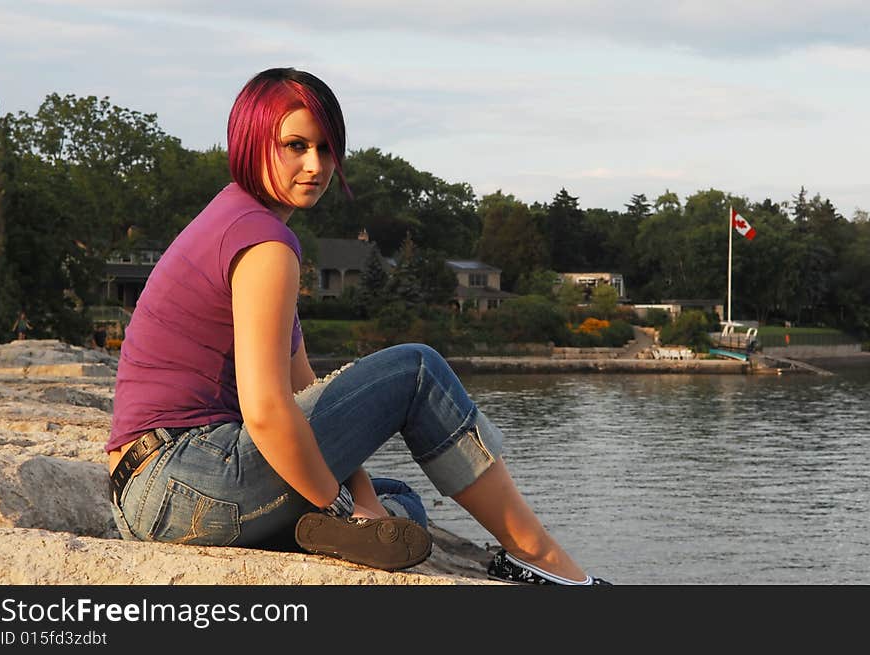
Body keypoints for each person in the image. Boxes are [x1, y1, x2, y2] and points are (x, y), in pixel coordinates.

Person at [106, 67, 610, 584]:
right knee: (418, 370)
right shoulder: (264, 245)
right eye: (295, 145)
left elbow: (308, 392)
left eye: (327, 149)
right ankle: (540, 556)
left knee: (398, 501)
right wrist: (342, 507)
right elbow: (267, 411)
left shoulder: (236, 221)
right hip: (188, 476)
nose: (315, 165)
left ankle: (336, 533)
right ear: (252, 140)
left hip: (151, 497)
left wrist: (362, 502)